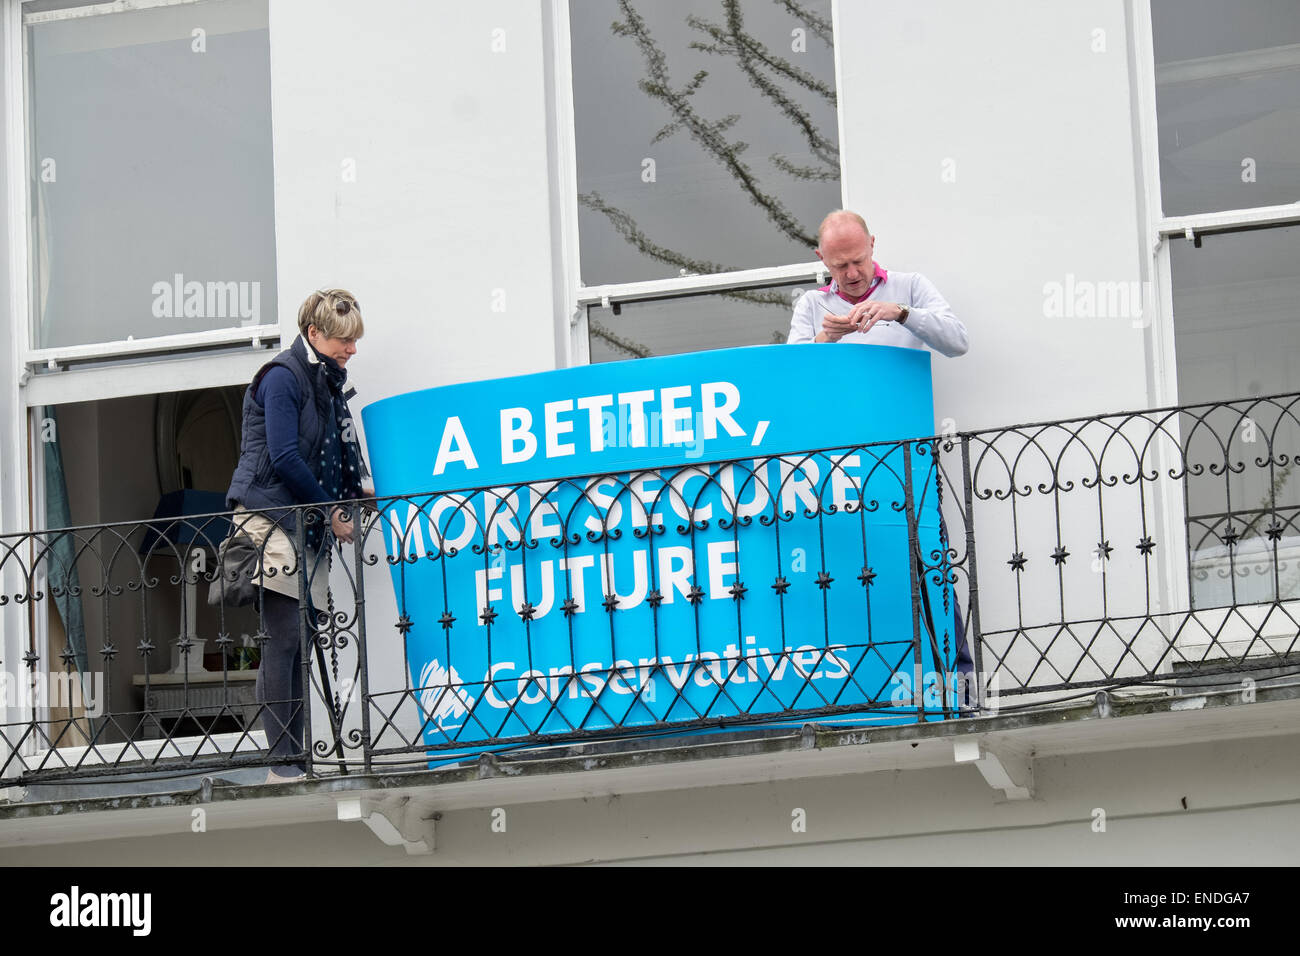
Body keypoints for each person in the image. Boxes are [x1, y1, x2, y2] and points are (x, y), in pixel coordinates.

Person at [224, 289, 368, 783]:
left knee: (299, 643)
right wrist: (331, 511)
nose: (351, 350)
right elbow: (285, 457)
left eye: (354, 341)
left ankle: (296, 759)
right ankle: (282, 767)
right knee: (283, 640)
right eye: (343, 341)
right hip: (270, 518)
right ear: (314, 334)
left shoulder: (324, 384)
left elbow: (324, 458)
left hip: (303, 521)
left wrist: (355, 494)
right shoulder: (283, 377)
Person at [787, 210, 968, 356]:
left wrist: (901, 312)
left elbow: (958, 343)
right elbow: (791, 370)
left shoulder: (911, 285)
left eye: (858, 261)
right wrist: (827, 336)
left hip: (900, 401)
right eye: (840, 265)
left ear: (871, 244)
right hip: (836, 402)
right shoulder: (811, 303)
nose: (852, 274)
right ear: (822, 258)